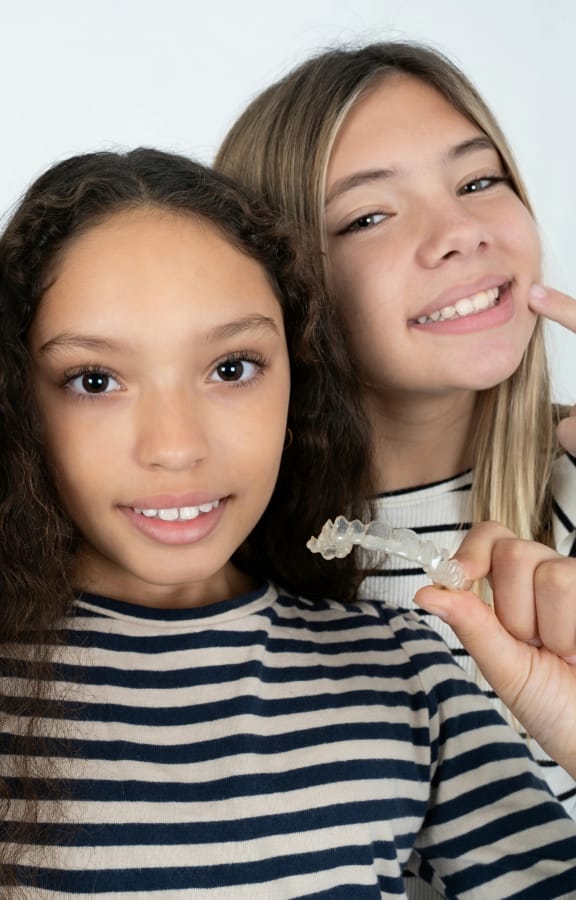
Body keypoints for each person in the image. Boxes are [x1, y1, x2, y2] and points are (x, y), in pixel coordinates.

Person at [1, 148, 575, 897]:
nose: (176, 446)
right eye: (95, 379)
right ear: (19, 406)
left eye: (232, 368)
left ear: (296, 391)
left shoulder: (405, 672)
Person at [214, 40, 576, 827]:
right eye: (369, 215)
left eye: (478, 181)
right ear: (286, 284)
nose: (459, 231)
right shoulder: (204, 554)